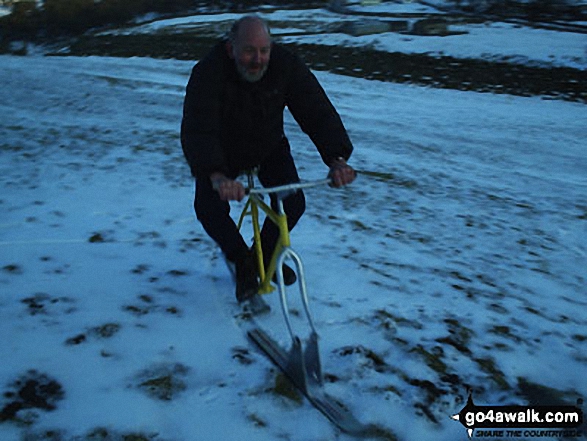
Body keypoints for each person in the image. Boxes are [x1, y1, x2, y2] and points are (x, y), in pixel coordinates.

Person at [181, 15, 356, 302]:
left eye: (264, 51)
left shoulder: (285, 65)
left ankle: (265, 256)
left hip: (268, 146)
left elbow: (316, 109)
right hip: (223, 153)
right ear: (231, 49)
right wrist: (216, 174)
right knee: (208, 207)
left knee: (293, 203)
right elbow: (199, 128)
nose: (258, 59)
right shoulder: (208, 72)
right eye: (249, 51)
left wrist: (336, 158)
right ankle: (242, 261)